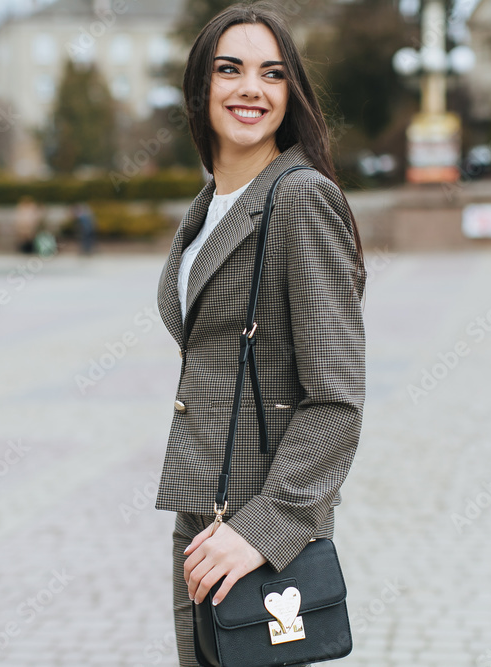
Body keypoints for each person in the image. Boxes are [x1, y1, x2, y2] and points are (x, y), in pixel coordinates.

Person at [152, 4, 367, 665]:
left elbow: (336, 398)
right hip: (204, 518)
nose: (252, 88)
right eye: (230, 69)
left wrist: (264, 527)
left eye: (272, 74)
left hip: (261, 533)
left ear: (290, 92)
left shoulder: (299, 197)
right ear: (200, 87)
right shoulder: (209, 206)